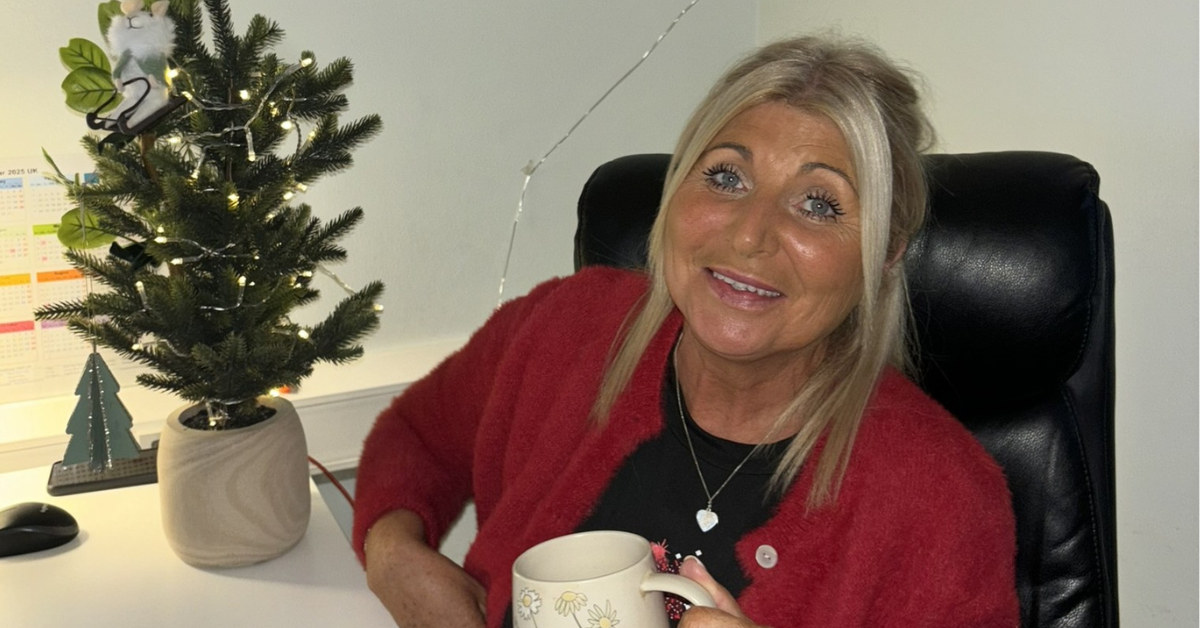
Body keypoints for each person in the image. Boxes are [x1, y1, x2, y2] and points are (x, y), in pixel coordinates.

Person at [353, 34, 1018, 628]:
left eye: (819, 204)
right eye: (726, 177)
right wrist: (392, 555)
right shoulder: (566, 328)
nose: (750, 234)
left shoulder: (943, 501)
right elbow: (415, 436)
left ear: (887, 251)